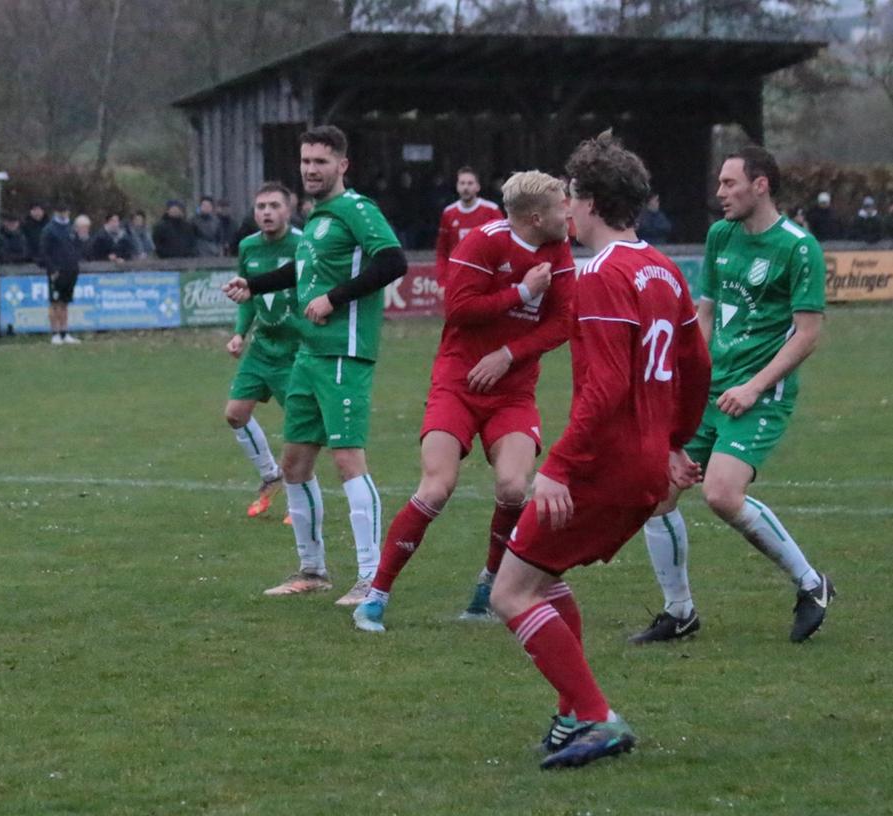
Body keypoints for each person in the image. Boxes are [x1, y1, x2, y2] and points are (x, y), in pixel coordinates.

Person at [488, 133, 711, 769]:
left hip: (604, 462)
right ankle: (569, 719)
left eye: (569, 193)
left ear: (586, 201)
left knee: (510, 592)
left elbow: (607, 388)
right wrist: (672, 445)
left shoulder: (603, 277)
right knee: (542, 575)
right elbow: (697, 367)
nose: (567, 206)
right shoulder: (664, 270)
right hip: (641, 461)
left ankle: (595, 716)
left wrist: (556, 467)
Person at [353, 171, 576, 633]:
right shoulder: (482, 241)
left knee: (514, 488)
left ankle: (488, 585)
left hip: (512, 391)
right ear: (536, 216)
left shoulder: (559, 251)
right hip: (457, 383)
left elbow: (562, 324)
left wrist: (508, 354)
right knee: (436, 486)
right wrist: (522, 292)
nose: (569, 212)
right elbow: (459, 308)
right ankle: (375, 596)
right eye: (561, 205)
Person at [632, 144, 834, 645]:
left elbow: (808, 333)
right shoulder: (721, 236)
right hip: (712, 389)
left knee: (721, 493)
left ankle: (812, 585)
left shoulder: (797, 247)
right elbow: (704, 313)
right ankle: (679, 612)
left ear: (760, 184)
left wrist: (753, 386)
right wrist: (687, 379)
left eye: (729, 183)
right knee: (657, 492)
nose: (720, 193)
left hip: (761, 393)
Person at [223, 125, 406, 606]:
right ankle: (313, 570)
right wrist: (254, 286)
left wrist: (334, 298)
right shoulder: (318, 217)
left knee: (348, 460)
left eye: (320, 161)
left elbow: (392, 262)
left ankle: (371, 577)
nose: (310, 169)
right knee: (295, 464)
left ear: (342, 165)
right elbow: (301, 273)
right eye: (305, 161)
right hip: (308, 354)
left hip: (344, 353)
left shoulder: (356, 210)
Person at [224, 182, 302, 521]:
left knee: (300, 428)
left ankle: (299, 500)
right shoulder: (248, 247)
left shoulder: (303, 245)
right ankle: (271, 474)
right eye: (260, 207)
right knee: (235, 413)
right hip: (262, 348)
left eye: (273, 205)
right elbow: (248, 296)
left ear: (288, 209)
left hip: (295, 350)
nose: (266, 212)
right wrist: (240, 333)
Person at [434, 167, 502, 286]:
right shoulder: (448, 213)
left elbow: (503, 246)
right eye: (462, 183)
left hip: (486, 276)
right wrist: (442, 282)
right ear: (457, 186)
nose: (466, 187)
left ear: (478, 187)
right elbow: (442, 251)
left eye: (470, 183)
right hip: (457, 276)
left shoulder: (492, 210)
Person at [39, 203, 82, 345]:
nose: (64, 214)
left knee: (64, 303)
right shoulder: (49, 229)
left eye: (66, 211)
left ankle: (64, 332)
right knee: (55, 303)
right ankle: (55, 333)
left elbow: (76, 247)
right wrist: (52, 270)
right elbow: (45, 252)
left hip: (70, 271)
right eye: (61, 211)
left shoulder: (70, 228)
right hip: (57, 272)